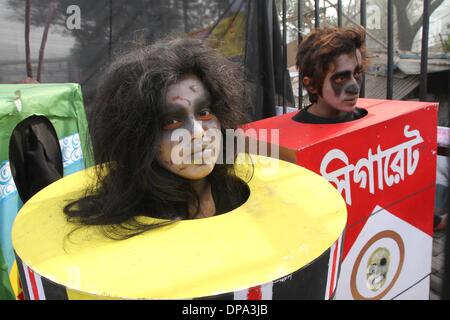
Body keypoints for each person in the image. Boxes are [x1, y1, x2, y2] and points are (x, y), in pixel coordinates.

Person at [64, 38, 250, 239]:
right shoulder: (137, 221)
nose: (197, 132)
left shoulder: (234, 191)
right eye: (171, 121)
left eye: (204, 112)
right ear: (139, 137)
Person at [293, 27, 368, 124]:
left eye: (357, 73)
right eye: (341, 78)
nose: (355, 89)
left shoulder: (364, 119)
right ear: (312, 85)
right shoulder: (290, 135)